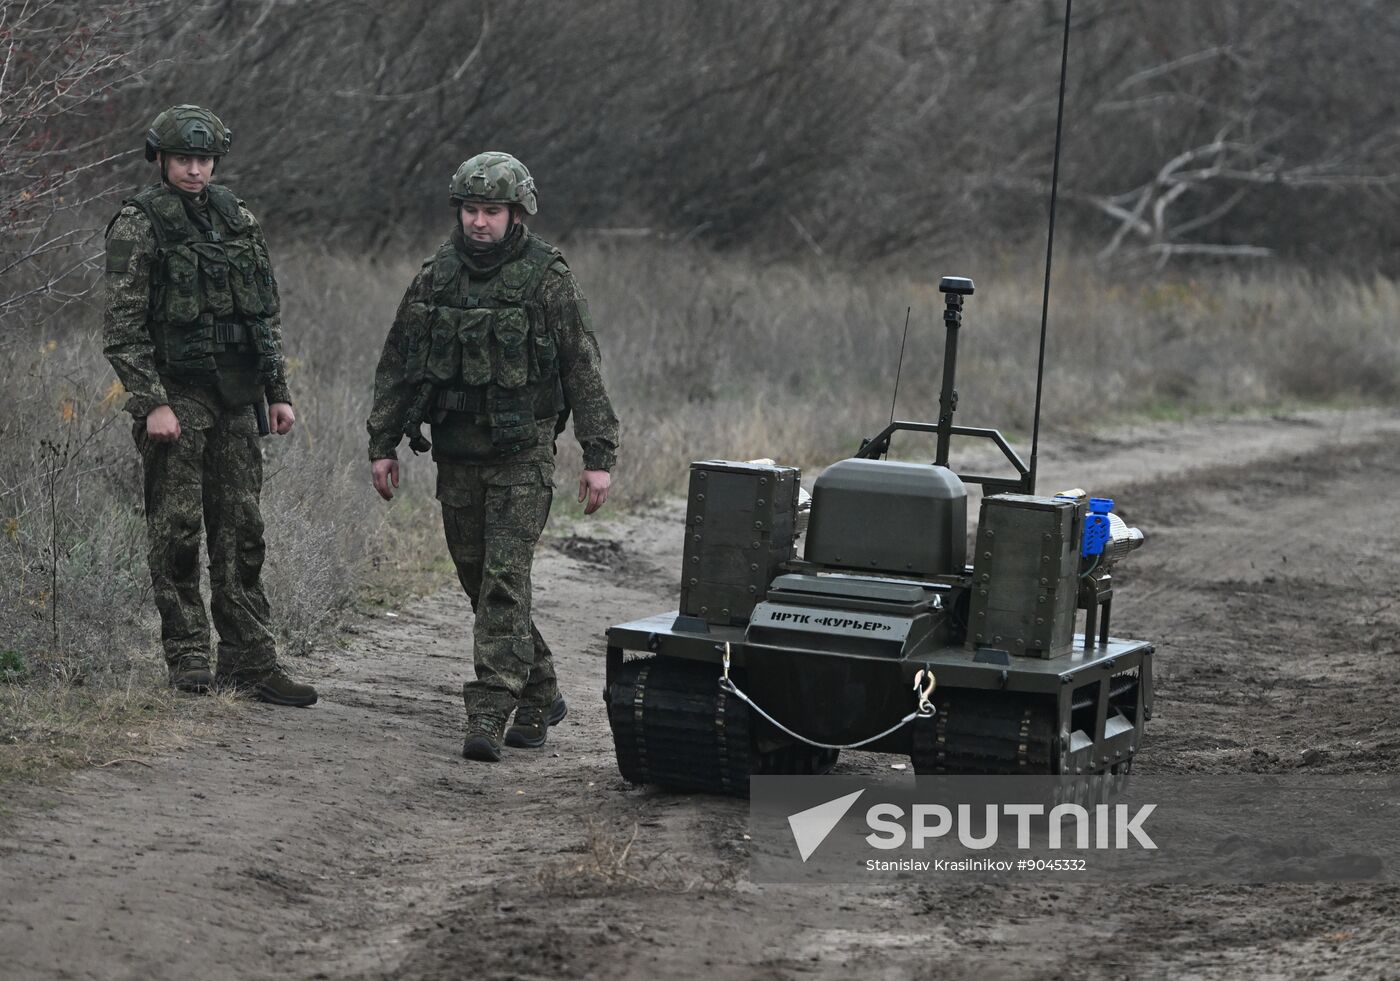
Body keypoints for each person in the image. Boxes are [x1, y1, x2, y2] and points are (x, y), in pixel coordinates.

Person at [366, 152, 619, 762]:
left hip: (522, 454)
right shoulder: (436, 277)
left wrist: (598, 454)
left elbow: (581, 366)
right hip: (457, 453)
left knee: (505, 582)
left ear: (516, 213)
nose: (480, 222)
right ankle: (540, 691)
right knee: (479, 583)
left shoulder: (547, 278)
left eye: (493, 211)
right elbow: (398, 363)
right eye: (472, 210)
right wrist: (383, 442)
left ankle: (487, 711)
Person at [102, 104, 318, 707]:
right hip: (178, 390)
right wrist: (151, 404)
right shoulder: (137, 223)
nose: (194, 169)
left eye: (203, 159)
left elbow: (263, 316)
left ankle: (249, 659)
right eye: (183, 159)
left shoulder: (237, 217)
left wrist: (278, 391)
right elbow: (121, 327)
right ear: (161, 160)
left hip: (237, 393)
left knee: (241, 527)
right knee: (177, 527)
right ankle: (189, 654)